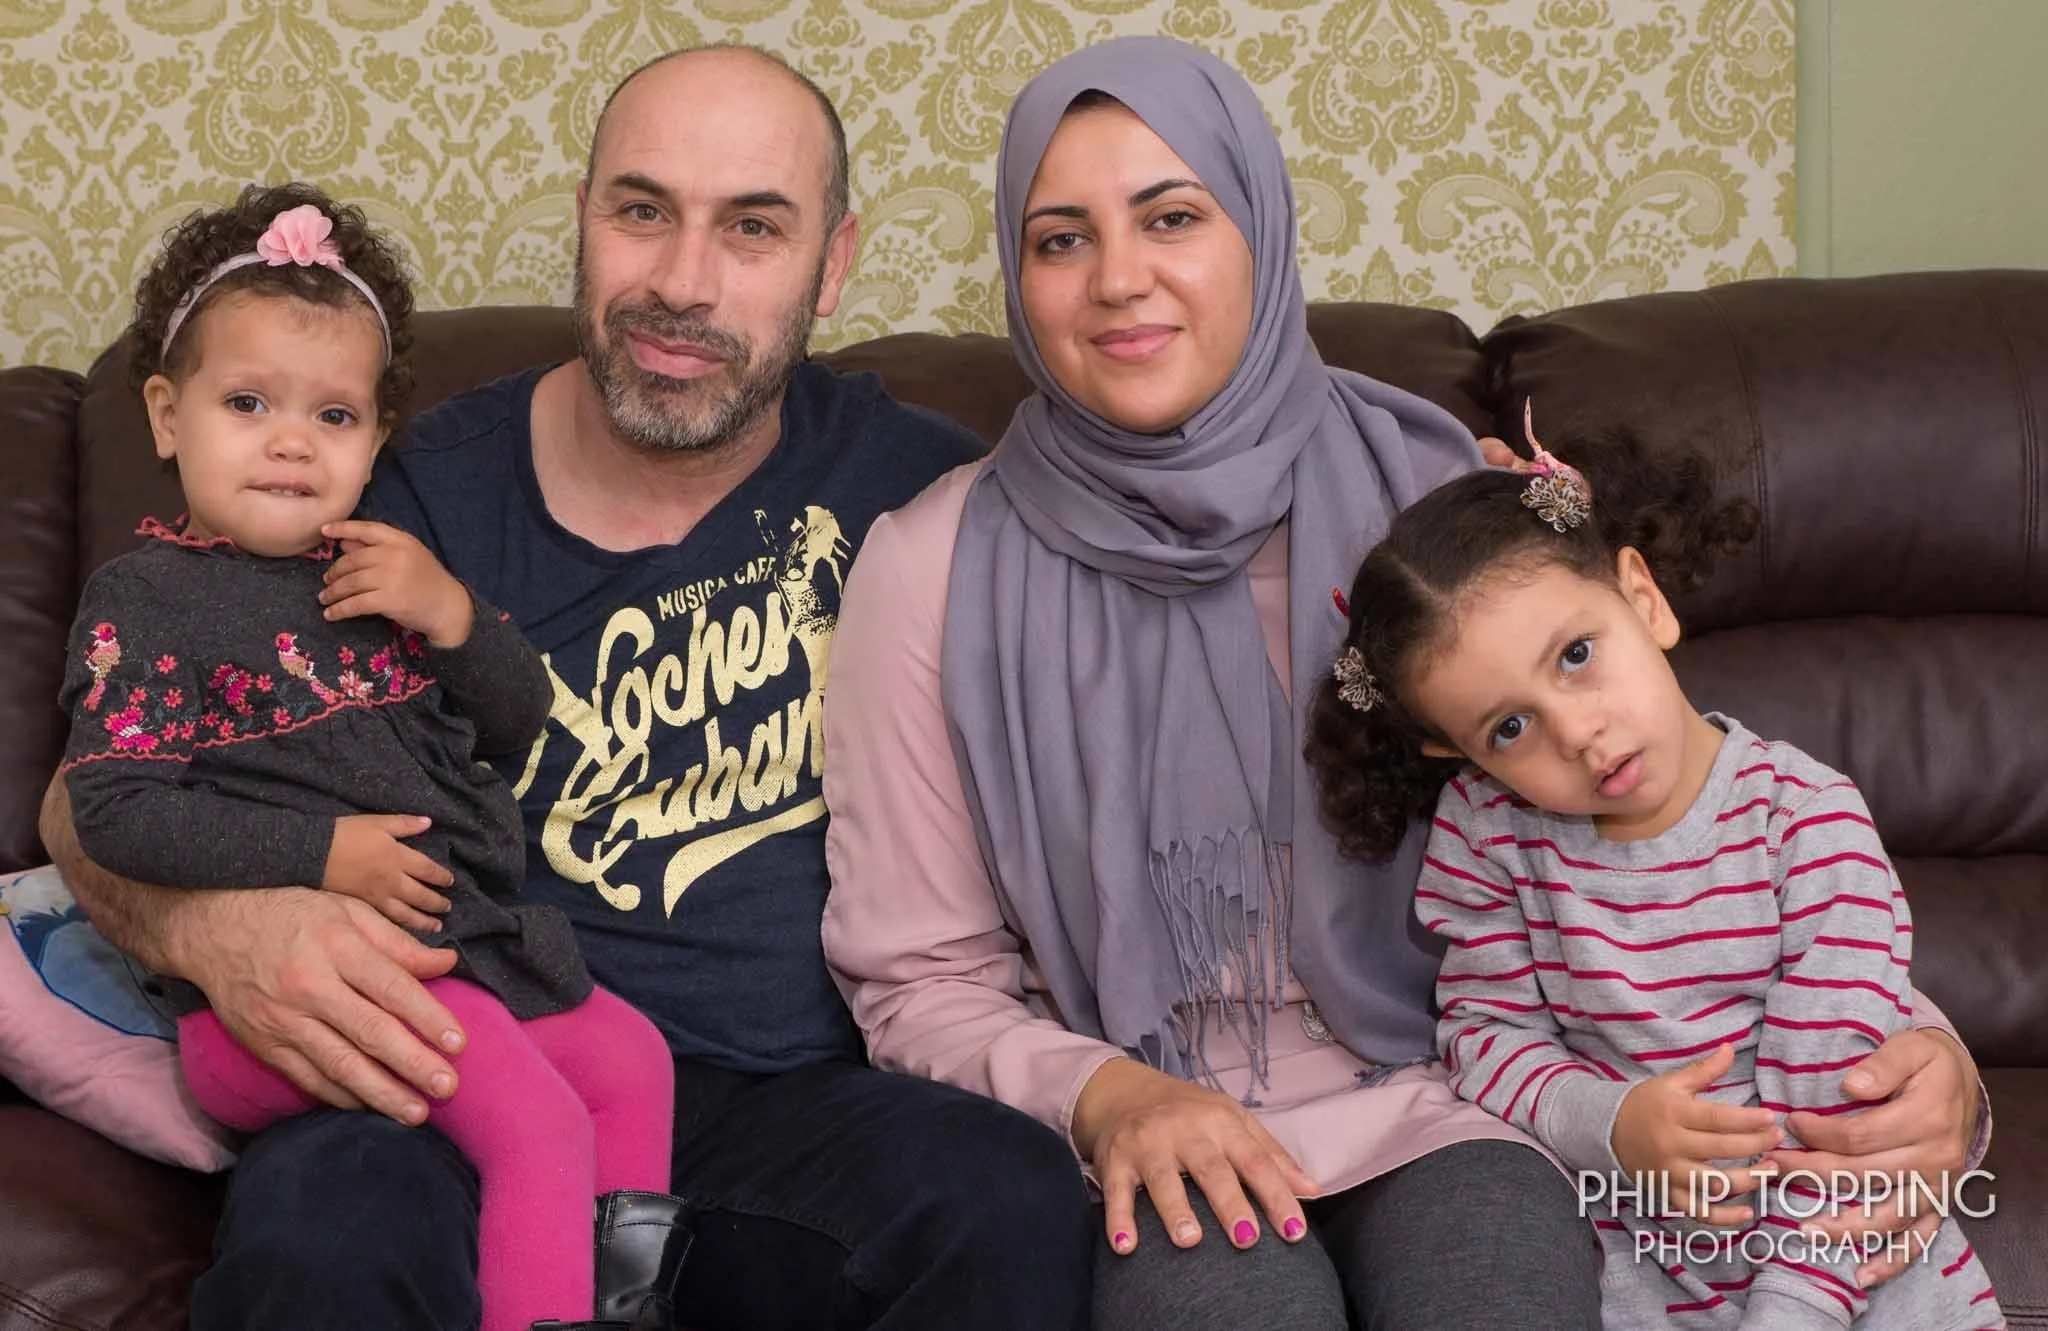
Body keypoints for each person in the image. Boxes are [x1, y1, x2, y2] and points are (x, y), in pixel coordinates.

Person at [818, 35, 1991, 1331]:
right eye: (1059, 240)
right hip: (1156, 1115)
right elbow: (915, 977)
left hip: (1457, 1094)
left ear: (1259, 227)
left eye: (1172, 216)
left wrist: (1929, 1057)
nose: (1119, 280)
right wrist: (1106, 1094)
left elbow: (1673, 822)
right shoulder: (931, 565)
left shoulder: (1429, 501)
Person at [40, 46, 1092, 1331]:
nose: (681, 282)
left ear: (832, 261)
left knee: (1005, 1195)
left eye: (752, 227)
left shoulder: (920, 489)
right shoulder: (394, 489)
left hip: (785, 1100)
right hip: (448, 1058)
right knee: (326, 1228)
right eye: (641, 210)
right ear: (583, 221)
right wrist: (215, 931)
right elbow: (88, 794)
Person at [59, 183, 678, 1331]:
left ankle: (615, 1301)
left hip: (463, 956)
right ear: (165, 413)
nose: (292, 440)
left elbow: (513, 719)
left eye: (334, 417)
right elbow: (114, 804)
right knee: (535, 1124)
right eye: (247, 402)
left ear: (375, 438)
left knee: (631, 1056)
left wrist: (450, 614)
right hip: (277, 1011)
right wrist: (320, 851)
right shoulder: (147, 599)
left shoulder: (375, 574)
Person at [1303, 424, 2003, 1329]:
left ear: (1644, 599)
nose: (1578, 733)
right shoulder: (1493, 837)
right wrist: (1613, 1121)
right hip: (1645, 1271)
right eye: (1510, 728)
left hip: (1850, 1267)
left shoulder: (1807, 820)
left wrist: (1790, 1311)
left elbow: (1833, 1124)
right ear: (1455, 752)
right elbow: (1486, 1037)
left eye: (1577, 655)